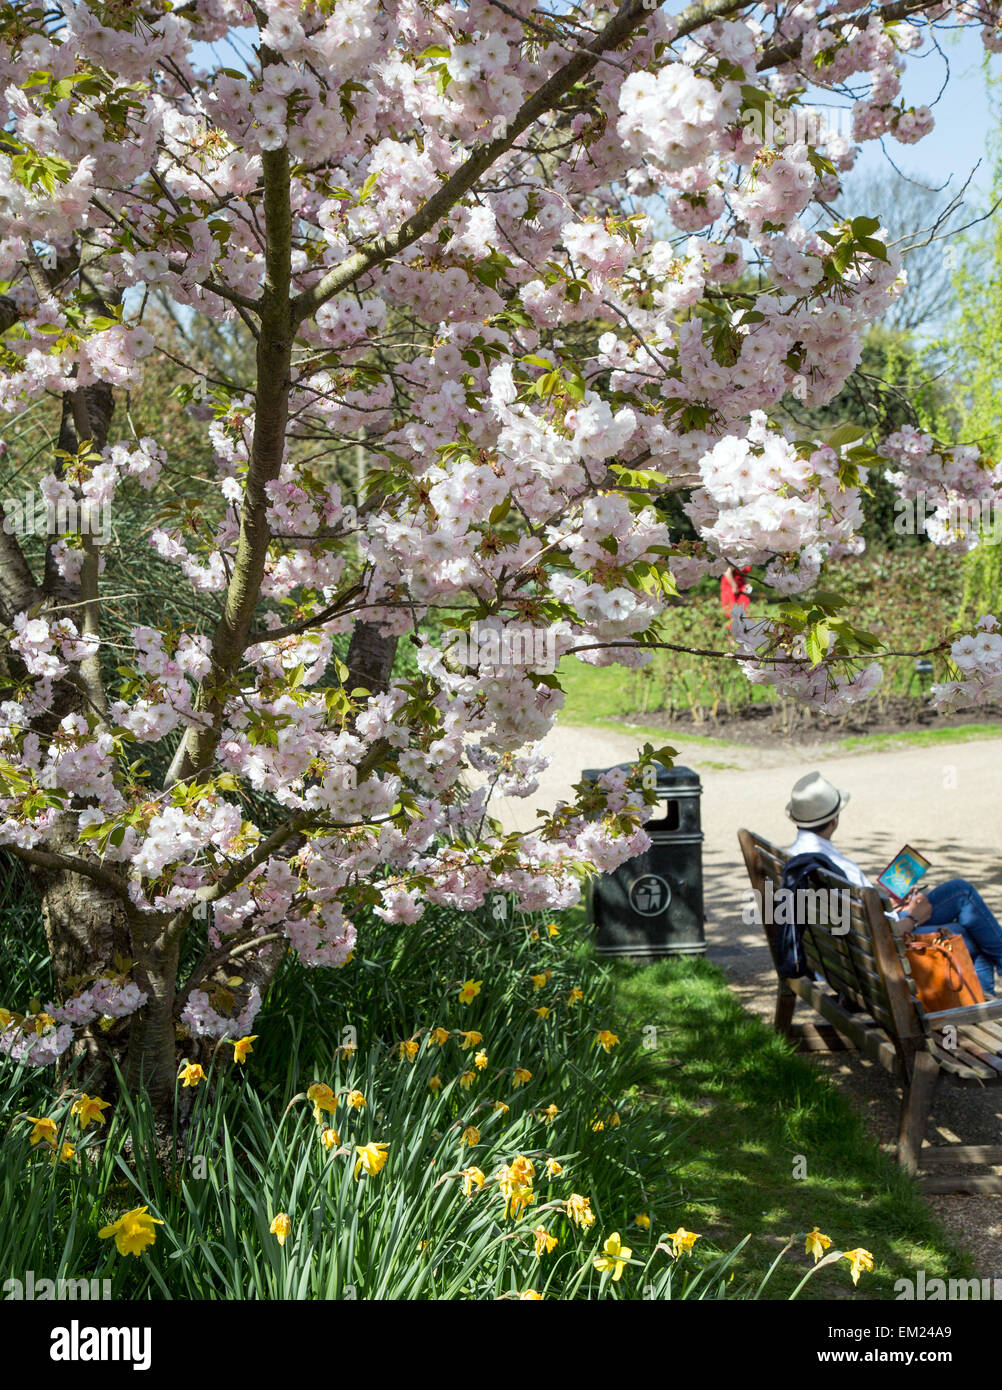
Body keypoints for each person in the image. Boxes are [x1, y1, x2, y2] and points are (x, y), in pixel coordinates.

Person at [785, 771, 1002, 997]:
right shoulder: (839, 866)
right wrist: (913, 916)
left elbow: (859, 918)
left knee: (959, 892)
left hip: (842, 954)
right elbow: (884, 937)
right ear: (833, 820)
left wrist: (891, 906)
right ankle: (979, 1011)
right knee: (967, 933)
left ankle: (982, 1005)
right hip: (878, 956)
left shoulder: (792, 858)